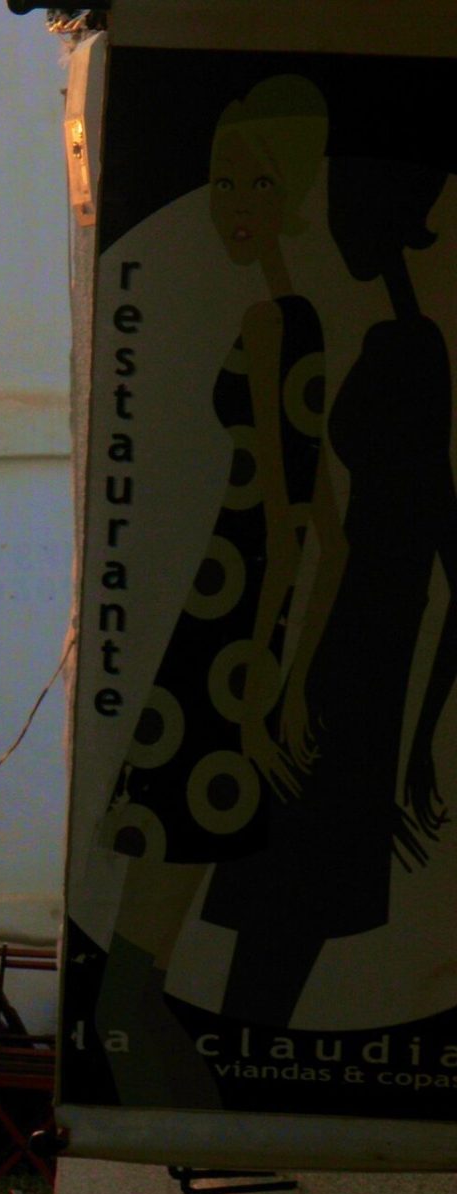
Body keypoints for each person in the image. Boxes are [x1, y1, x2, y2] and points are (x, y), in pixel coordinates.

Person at [92, 75, 330, 1107]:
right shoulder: (288, 314)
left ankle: (174, 1097)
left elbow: (298, 519)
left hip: (232, 624)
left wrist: (274, 674)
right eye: (222, 179)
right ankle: (171, 1086)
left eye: (257, 183)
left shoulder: (284, 323)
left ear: (298, 193)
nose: (233, 202)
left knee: (136, 964)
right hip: (232, 615)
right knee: (161, 901)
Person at [208, 155, 457, 1027]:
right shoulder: (388, 334)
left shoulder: (409, 350)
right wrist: (416, 739)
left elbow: (390, 546)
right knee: (284, 907)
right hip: (363, 650)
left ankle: (242, 1079)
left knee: (283, 901)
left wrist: (416, 740)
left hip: (348, 650)